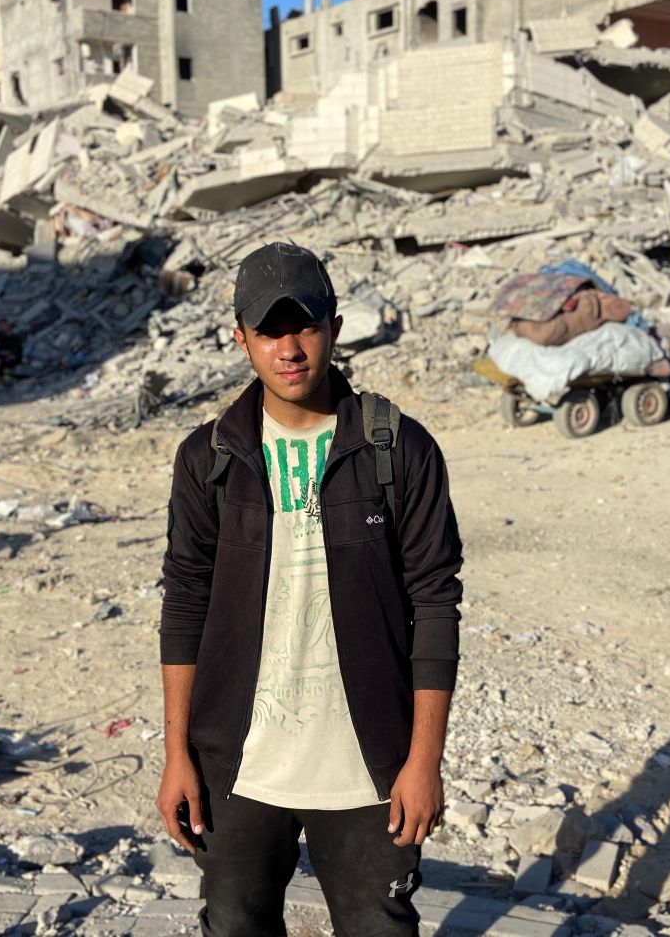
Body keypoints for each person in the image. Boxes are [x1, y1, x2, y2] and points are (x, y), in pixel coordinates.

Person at [157, 242, 463, 937]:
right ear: (242, 339)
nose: (289, 347)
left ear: (335, 326)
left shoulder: (399, 450)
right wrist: (177, 754)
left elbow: (435, 606)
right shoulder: (208, 459)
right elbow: (185, 603)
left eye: (305, 325)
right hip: (239, 767)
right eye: (269, 329)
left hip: (367, 768)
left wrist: (423, 761)